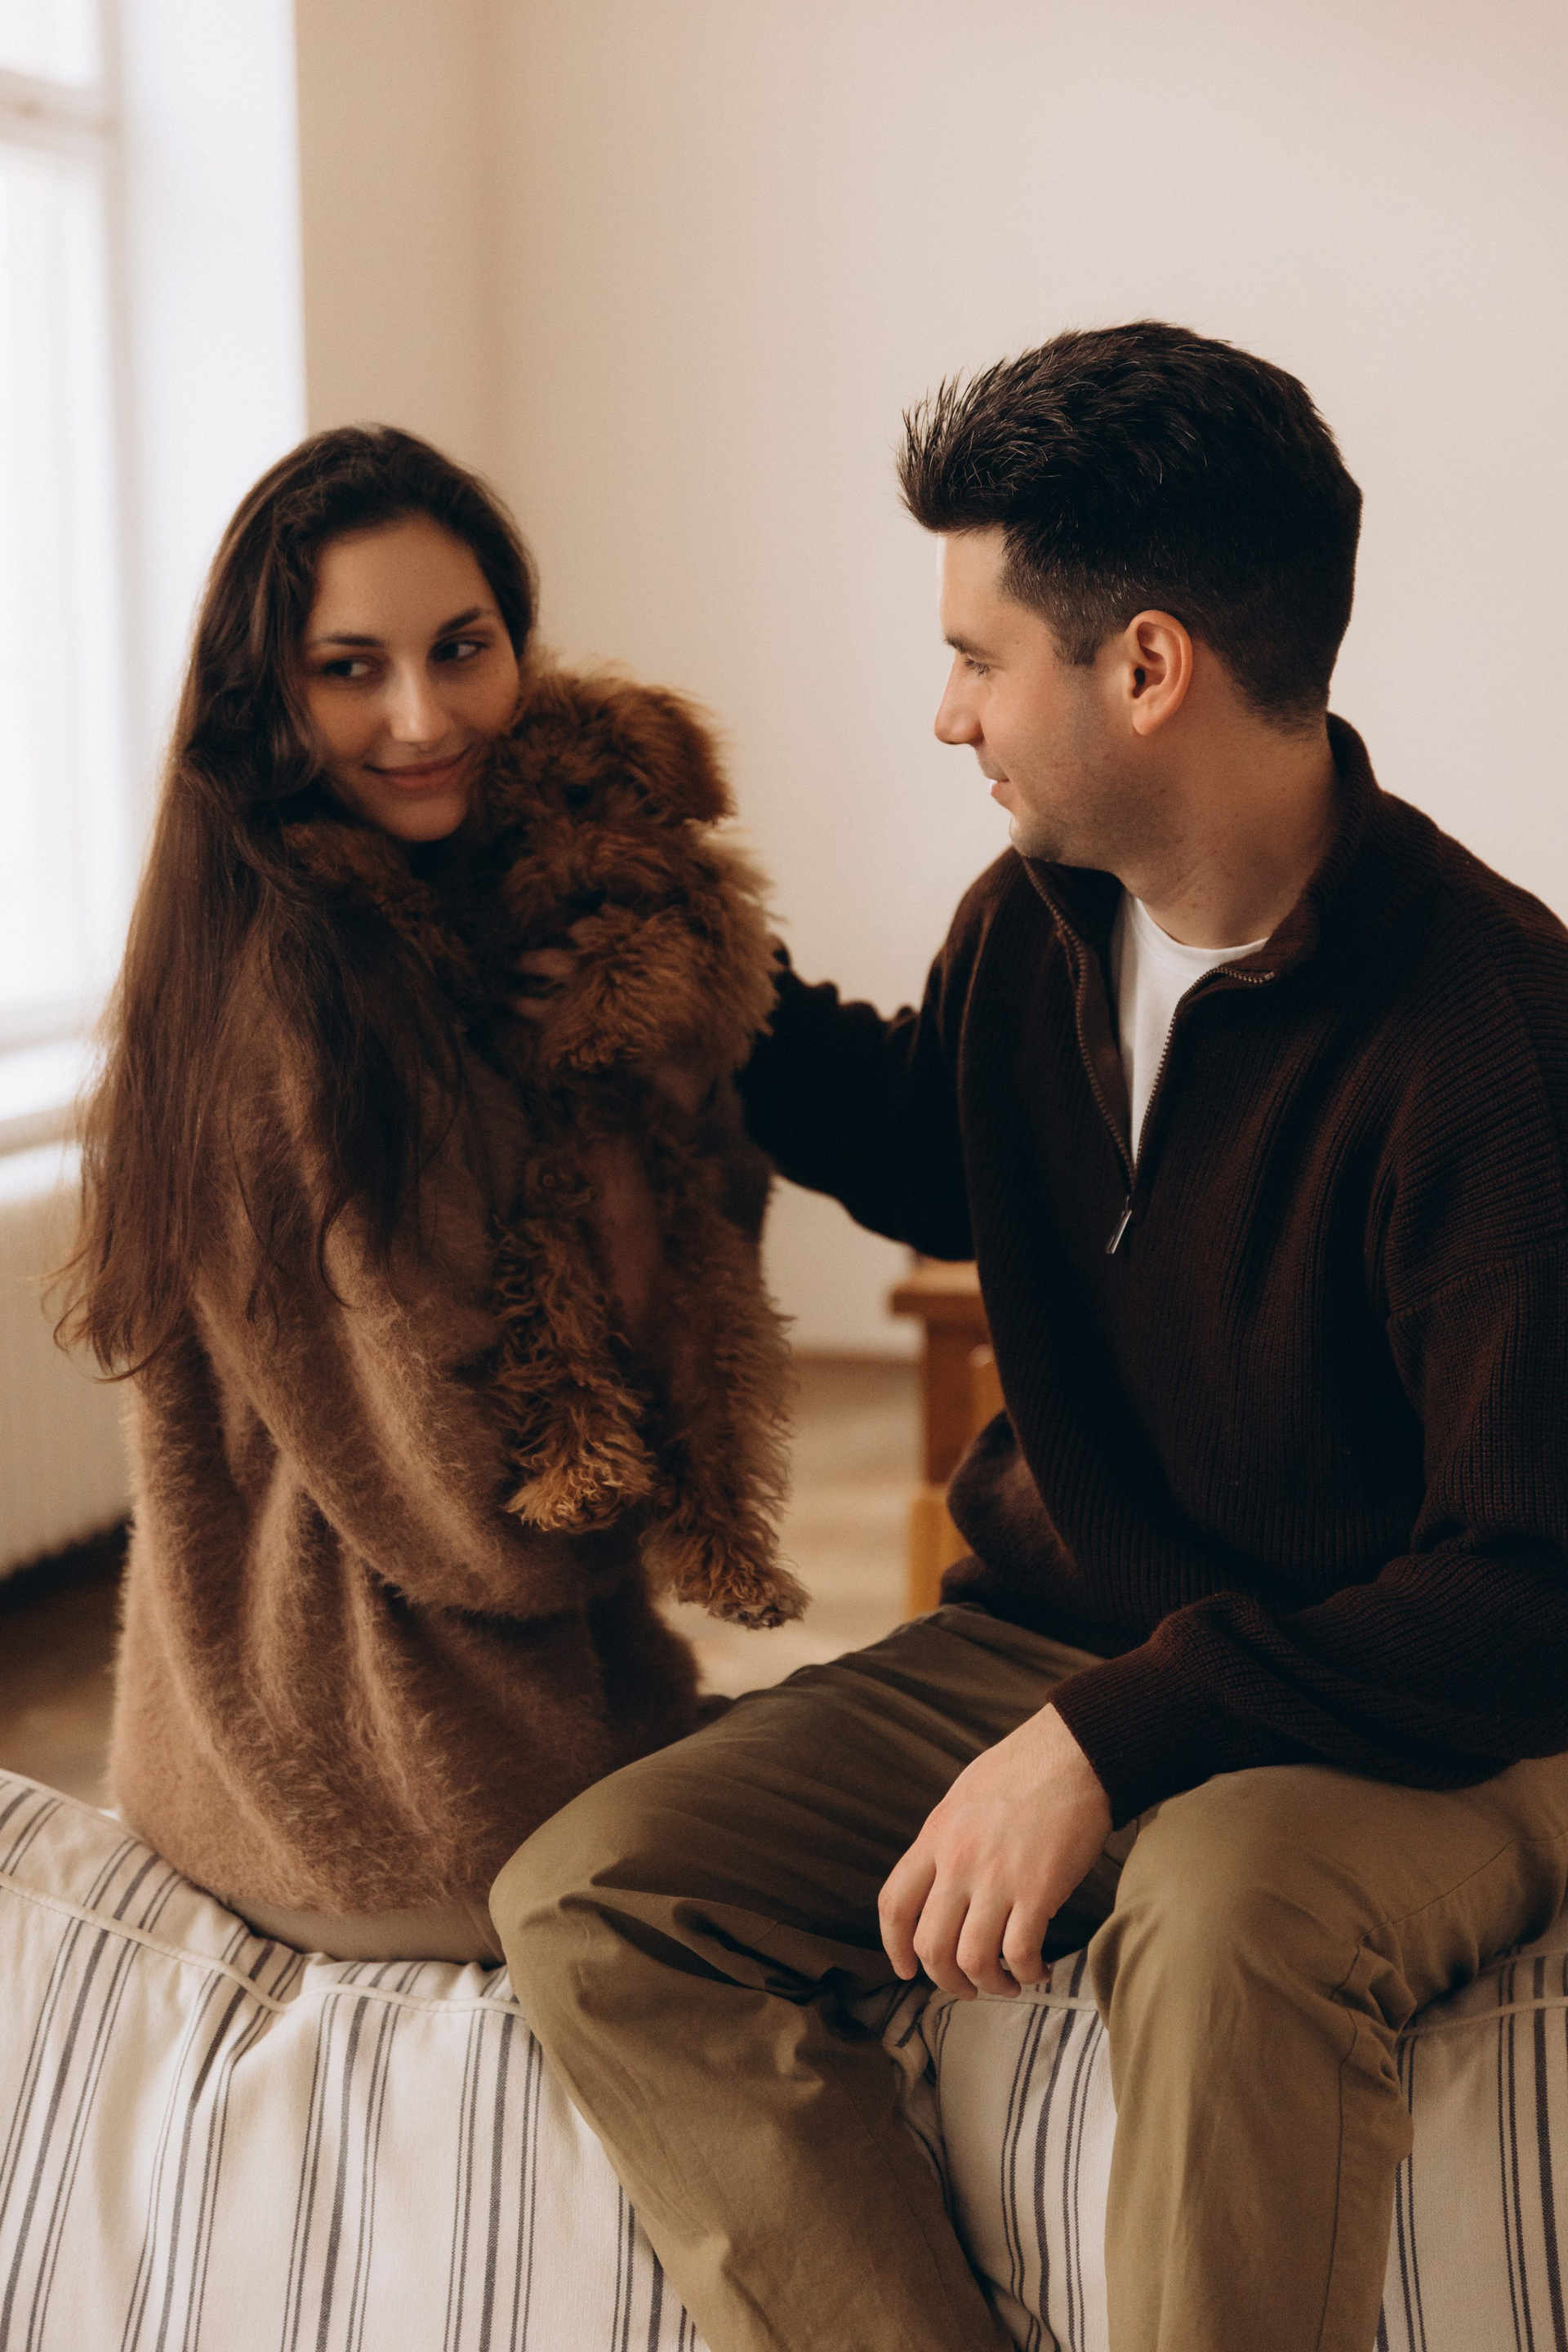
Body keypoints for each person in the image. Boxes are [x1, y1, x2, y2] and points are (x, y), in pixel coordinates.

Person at [490, 323, 1568, 2351]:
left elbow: (1532, 1589)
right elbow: (953, 1151)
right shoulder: (1038, 918)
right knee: (596, 1895)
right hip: (1068, 1632)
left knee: (1222, 1914)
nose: (947, 713)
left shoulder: (1495, 1042)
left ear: (1146, 668)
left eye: (978, 658)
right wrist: (698, 979)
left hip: (1427, 1710)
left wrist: (1110, 1740)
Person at [63, 425, 797, 1964]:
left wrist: (652, 1075)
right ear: (267, 698)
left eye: (462, 649)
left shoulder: (479, 916)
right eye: (350, 669)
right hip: (389, 1793)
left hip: (468, 1734)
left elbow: (703, 1274)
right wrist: (611, 1141)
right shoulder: (296, 993)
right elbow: (493, 1527)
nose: (422, 718)